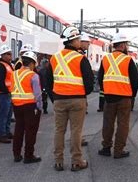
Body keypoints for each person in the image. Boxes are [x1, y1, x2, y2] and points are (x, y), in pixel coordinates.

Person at [46, 26, 94, 172]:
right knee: (76, 131)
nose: (80, 41)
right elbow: (89, 82)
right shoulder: (81, 58)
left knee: (59, 131)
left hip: (59, 99)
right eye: (78, 39)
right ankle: (77, 161)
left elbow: (48, 82)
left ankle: (58, 161)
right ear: (73, 40)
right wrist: (82, 94)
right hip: (77, 100)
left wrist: (55, 98)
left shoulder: (54, 58)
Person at [97, 33, 138, 158]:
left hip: (109, 97)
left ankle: (106, 148)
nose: (127, 46)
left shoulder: (105, 59)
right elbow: (135, 81)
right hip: (124, 97)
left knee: (108, 123)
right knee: (123, 125)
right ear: (123, 45)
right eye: (126, 44)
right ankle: (118, 150)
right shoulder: (128, 60)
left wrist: (106, 90)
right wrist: (132, 96)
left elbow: (100, 78)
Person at [12, 51, 43, 163]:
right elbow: (38, 94)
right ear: (32, 63)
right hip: (30, 106)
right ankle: (28, 156)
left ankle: (16, 154)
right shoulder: (33, 75)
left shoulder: (14, 73)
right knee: (30, 131)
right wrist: (39, 107)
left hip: (16, 105)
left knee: (18, 129)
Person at [0, 45, 15, 144]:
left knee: (8, 114)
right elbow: (0, 81)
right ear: (3, 55)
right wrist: (5, 90)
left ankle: (7, 132)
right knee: (3, 114)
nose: (10, 56)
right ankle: (2, 134)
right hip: (4, 94)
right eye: (8, 54)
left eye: (10, 54)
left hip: (9, 93)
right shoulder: (1, 65)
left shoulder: (9, 65)